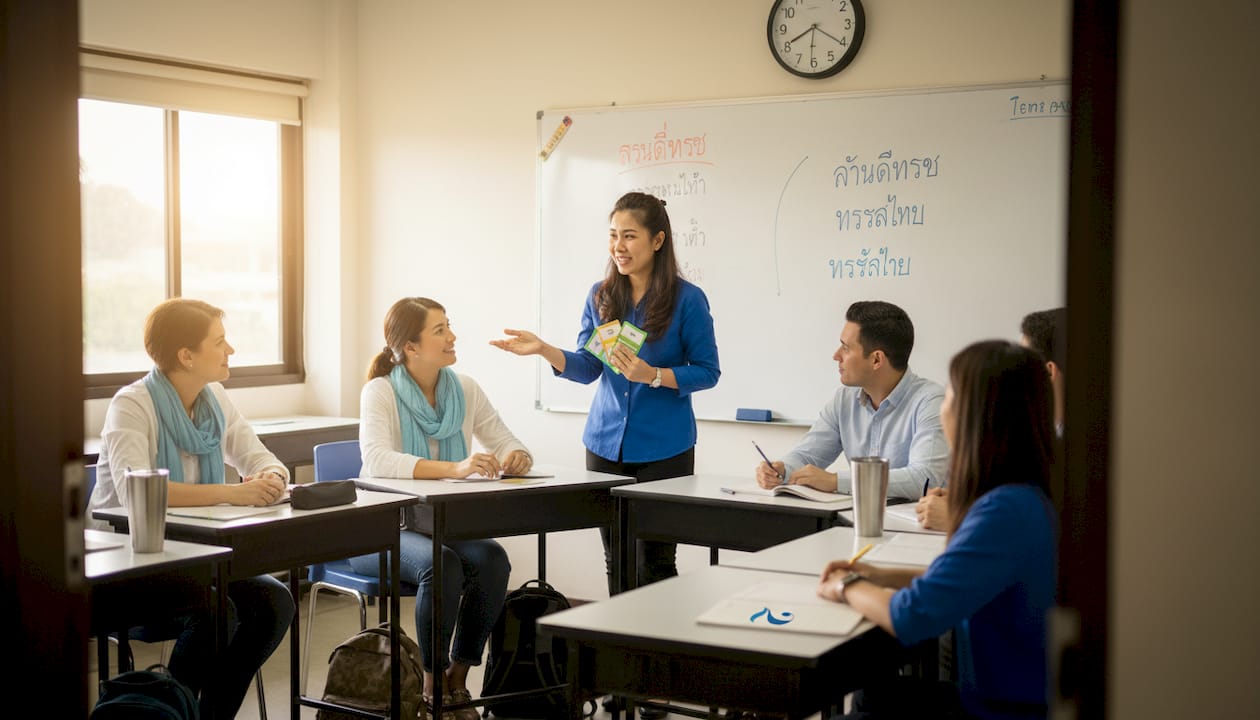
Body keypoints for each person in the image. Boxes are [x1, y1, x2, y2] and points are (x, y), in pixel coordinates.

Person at [491, 191, 721, 593]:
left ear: (657, 241)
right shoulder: (601, 295)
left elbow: (707, 372)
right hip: (604, 444)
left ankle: (660, 653)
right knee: (616, 558)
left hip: (664, 450)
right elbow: (588, 368)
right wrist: (545, 349)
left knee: (655, 563)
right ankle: (620, 653)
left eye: (630, 236)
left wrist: (654, 375)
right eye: (613, 235)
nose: (619, 246)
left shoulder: (688, 300)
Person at [818, 340, 1058, 720]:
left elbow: (913, 616)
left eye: (951, 394)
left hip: (1000, 710)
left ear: (975, 413)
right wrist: (878, 574)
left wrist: (847, 587)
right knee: (874, 694)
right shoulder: (1028, 494)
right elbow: (959, 579)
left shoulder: (1003, 510)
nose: (942, 404)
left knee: (870, 703)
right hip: (1011, 698)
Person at [87, 298, 296, 719]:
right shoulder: (133, 404)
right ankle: (174, 712)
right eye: (219, 342)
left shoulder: (214, 397)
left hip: (198, 554)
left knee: (275, 601)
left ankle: (207, 717)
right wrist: (230, 493)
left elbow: (256, 454)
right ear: (186, 356)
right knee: (217, 609)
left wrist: (271, 476)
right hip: (132, 564)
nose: (230, 350)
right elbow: (139, 489)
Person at [356, 296, 532, 720]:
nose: (452, 337)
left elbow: (506, 438)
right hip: (379, 527)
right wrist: (455, 467)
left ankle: (459, 675)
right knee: (443, 565)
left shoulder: (464, 388)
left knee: (492, 559)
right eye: (440, 330)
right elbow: (377, 459)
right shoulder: (380, 391)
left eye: (448, 326)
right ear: (411, 346)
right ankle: (431, 684)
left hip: (441, 524)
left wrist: (516, 455)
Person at [756, 300, 948, 501]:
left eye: (845, 348)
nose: (836, 356)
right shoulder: (843, 400)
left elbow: (924, 480)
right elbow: (806, 456)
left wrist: (836, 481)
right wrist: (782, 469)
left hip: (917, 528)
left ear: (876, 359)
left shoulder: (931, 401)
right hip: (857, 518)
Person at [917, 307, 1065, 530]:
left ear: (1048, 372)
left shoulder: (1081, 451)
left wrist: (963, 517)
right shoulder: (1054, 432)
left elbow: (1046, 529)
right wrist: (974, 503)